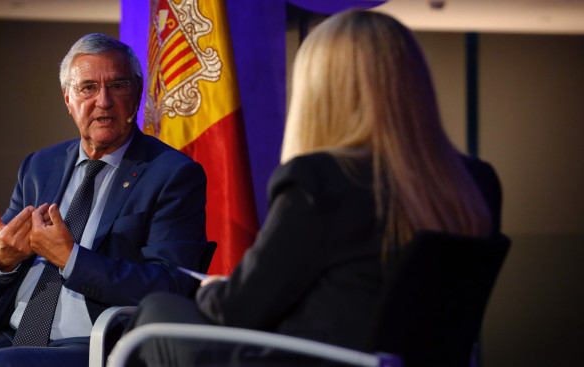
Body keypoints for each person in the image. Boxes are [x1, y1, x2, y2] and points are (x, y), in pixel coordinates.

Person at [125, 9, 502, 366]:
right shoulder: (477, 181)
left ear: (321, 91)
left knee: (158, 309)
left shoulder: (322, 180)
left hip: (312, 358)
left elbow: (236, 310)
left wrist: (212, 289)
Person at [0, 33, 208, 367]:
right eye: (87, 87)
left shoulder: (172, 173)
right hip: (12, 337)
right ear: (68, 99)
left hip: (98, 345)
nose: (103, 101)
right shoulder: (40, 166)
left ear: (137, 94)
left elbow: (170, 284)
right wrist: (4, 256)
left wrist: (70, 258)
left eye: (117, 85)